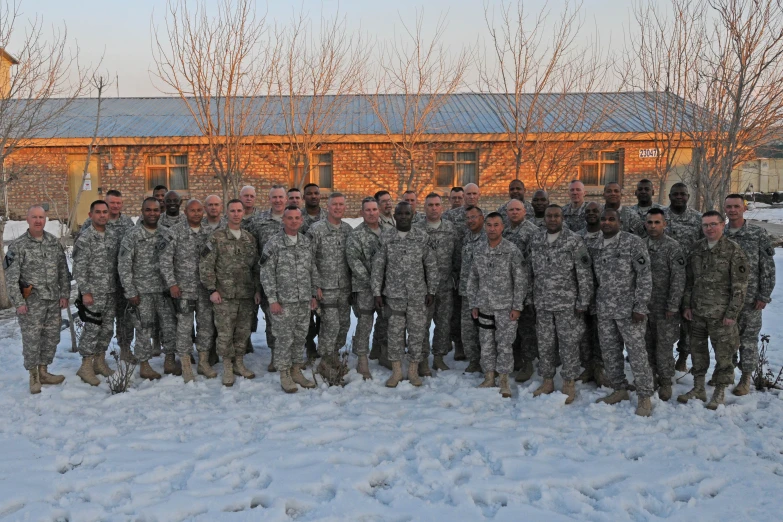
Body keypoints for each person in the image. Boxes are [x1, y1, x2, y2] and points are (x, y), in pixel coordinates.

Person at [679, 211, 749, 409]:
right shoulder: (696, 249)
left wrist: (732, 314)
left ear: (722, 224)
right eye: (705, 225)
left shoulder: (734, 251)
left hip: (721, 315)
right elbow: (689, 281)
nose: (709, 228)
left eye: (713, 224)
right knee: (697, 351)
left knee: (724, 355)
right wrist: (687, 305)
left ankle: (719, 391)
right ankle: (698, 388)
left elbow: (740, 287)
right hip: (698, 312)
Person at [590, 208, 655, 417]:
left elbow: (644, 275)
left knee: (636, 353)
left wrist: (640, 306)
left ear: (620, 222)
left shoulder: (633, 243)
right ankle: (619, 388)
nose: (607, 222)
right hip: (605, 308)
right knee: (610, 352)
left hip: (629, 310)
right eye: (603, 219)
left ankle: (644, 396)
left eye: (611, 219)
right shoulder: (595, 244)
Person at [528, 205, 594, 404]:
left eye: (557, 216)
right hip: (543, 302)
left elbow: (584, 273)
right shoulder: (537, 239)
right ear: (544, 218)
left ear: (562, 217)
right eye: (549, 216)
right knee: (545, 343)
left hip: (568, 303)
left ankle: (569, 382)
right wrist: (530, 297)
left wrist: (584, 300)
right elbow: (530, 271)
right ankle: (547, 380)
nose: (553, 219)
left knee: (569, 344)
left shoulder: (574, 241)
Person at [371, 202, 438, 388]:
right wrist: (377, 292)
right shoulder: (386, 237)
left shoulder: (421, 237)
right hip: (394, 296)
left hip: (418, 295)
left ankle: (413, 371)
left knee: (417, 333)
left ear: (412, 215)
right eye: (399, 213)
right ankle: (397, 371)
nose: (402, 216)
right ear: (395, 214)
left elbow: (431, 266)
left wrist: (432, 290)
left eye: (406, 213)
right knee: (394, 334)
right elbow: (378, 266)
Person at [5, 205, 70, 394]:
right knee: (32, 339)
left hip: (52, 300)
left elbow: (63, 271)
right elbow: (11, 278)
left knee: (52, 337)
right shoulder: (17, 246)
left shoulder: (53, 242)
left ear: (46, 219)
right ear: (27, 219)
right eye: (34, 217)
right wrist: (18, 302)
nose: (38, 220)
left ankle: (44, 371)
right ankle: (33, 375)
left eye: (41, 217)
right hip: (31, 302)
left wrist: (65, 294)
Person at [200, 199, 262, 387]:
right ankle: (227, 365)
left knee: (242, 332)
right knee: (225, 333)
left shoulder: (250, 239)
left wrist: (257, 289)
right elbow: (206, 264)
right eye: (232, 210)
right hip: (224, 295)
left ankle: (239, 363)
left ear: (244, 213)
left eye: (239, 210)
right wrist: (211, 289)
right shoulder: (216, 237)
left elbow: (256, 267)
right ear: (226, 213)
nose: (236, 214)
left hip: (246, 294)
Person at [118, 198, 179, 380]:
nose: (152, 213)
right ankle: (144, 364)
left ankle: (169, 359)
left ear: (160, 211)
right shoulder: (132, 236)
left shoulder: (168, 234)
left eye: (156, 210)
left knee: (169, 325)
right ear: (142, 211)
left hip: (164, 291)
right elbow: (124, 265)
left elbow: (175, 261)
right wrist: (130, 291)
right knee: (144, 329)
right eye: (148, 210)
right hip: (141, 292)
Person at [468, 212, 527, 398]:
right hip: (484, 306)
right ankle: (488, 377)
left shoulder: (511, 250)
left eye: (496, 225)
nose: (492, 229)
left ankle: (503, 380)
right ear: (485, 227)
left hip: (505, 308)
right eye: (489, 225)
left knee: (504, 345)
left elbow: (520, 280)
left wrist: (517, 307)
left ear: (502, 227)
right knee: (486, 344)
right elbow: (473, 279)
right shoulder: (478, 249)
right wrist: (473, 303)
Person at [260, 206, 318, 392]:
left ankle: (295, 370)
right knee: (284, 339)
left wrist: (313, 294)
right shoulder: (274, 243)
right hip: (283, 302)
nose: (294, 221)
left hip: (303, 301)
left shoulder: (305, 242)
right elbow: (266, 273)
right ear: (283, 220)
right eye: (290, 218)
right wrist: (272, 300)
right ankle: (284, 373)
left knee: (300, 336)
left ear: (301, 220)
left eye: (297, 218)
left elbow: (312, 269)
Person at [723, 194, 776, 396]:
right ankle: (727, 374)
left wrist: (764, 295)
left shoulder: (757, 234)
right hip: (726, 299)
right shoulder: (722, 234)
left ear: (744, 208)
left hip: (751, 298)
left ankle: (745, 378)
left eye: (737, 206)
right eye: (729, 207)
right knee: (727, 339)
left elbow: (768, 268)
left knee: (747, 340)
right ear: (725, 209)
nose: (733, 210)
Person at [160, 199, 216, 382]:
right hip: (183, 289)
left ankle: (203, 362)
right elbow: (165, 260)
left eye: (200, 210)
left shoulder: (210, 233)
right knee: (184, 328)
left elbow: (215, 260)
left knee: (206, 326)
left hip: (204, 289)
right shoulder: (174, 232)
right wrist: (172, 284)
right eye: (193, 210)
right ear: (185, 212)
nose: (197, 213)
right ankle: (185, 363)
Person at [78, 189, 136, 363]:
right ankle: (92, 359)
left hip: (122, 282)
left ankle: (125, 349)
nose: (115, 206)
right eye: (112, 203)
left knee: (125, 319)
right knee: (98, 322)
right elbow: (82, 259)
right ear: (105, 203)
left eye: (119, 203)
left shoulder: (127, 223)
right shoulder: (91, 224)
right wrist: (85, 288)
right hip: (100, 284)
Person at [307, 192, 353, 384]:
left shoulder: (348, 230)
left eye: (341, 204)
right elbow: (309, 260)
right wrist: (314, 286)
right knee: (330, 326)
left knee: (343, 325)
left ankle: (333, 354)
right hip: (325, 289)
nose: (338, 208)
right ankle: (325, 361)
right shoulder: (316, 230)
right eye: (334, 204)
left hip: (344, 287)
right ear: (328, 206)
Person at [72, 200, 119, 385]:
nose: (102, 215)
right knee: (92, 329)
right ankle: (86, 366)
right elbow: (79, 268)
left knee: (107, 329)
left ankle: (99, 361)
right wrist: (85, 292)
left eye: (105, 212)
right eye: (98, 212)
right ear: (91, 215)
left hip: (110, 291)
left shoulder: (112, 236)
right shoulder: (85, 239)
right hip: (93, 293)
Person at [643, 208, 686, 401]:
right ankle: (650, 376)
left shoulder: (673, 247)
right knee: (646, 344)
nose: (653, 226)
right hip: (644, 306)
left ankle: (666, 381)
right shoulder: (640, 245)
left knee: (664, 346)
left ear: (664, 224)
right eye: (650, 222)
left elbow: (678, 278)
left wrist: (673, 305)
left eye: (657, 222)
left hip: (665, 307)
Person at [415, 193, 458, 374]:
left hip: (445, 285)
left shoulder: (450, 228)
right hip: (424, 287)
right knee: (422, 324)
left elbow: (456, 256)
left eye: (437, 205)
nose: (434, 208)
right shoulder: (417, 229)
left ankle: (438, 357)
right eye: (430, 205)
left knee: (443, 323)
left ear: (442, 207)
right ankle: (423, 359)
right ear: (424, 208)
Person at [347, 197, 389, 378]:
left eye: (374, 209)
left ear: (379, 210)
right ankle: (362, 359)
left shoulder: (389, 232)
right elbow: (354, 262)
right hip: (364, 287)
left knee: (386, 321)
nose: (372, 213)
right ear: (362, 212)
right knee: (365, 323)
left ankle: (382, 352)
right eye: (368, 210)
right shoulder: (356, 235)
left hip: (388, 287)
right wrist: (374, 285)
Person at [663, 183, 703, 372]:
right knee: (666, 319)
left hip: (690, 278)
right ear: (669, 196)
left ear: (688, 196)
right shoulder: (661, 217)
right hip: (665, 278)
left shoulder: (697, 218)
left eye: (683, 194)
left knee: (689, 321)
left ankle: (683, 357)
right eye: (675, 194)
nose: (679, 197)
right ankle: (665, 356)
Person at [245, 185, 286, 367]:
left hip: (292, 279)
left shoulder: (295, 218)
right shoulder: (259, 221)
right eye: (274, 197)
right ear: (269, 199)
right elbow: (253, 252)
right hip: (267, 280)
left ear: (286, 199)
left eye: (280, 197)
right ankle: (275, 355)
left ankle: (291, 355)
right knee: (272, 319)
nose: (277, 200)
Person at [501, 198, 539, 380]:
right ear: (506, 213)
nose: (514, 212)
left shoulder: (532, 231)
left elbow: (534, 264)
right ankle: (514, 359)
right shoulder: (504, 231)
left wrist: (529, 293)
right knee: (510, 326)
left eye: (518, 209)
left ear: (524, 212)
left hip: (526, 286)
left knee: (526, 328)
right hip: (507, 287)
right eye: (511, 210)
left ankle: (528, 363)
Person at [576, 202, 607, 386]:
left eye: (595, 211)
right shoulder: (577, 237)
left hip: (603, 294)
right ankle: (587, 367)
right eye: (588, 211)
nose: (591, 214)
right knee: (584, 333)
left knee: (601, 334)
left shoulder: (609, 235)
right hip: (581, 292)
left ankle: (600, 368)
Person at [458, 206, 487, 374]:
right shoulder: (467, 237)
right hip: (466, 291)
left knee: (485, 329)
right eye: (467, 218)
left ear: (482, 217)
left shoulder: (489, 236)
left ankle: (487, 361)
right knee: (467, 328)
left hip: (484, 292)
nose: (470, 220)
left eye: (474, 217)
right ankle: (473, 360)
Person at [303, 183, 328, 360]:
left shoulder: (328, 217)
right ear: (304, 197)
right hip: (303, 273)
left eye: (316, 193)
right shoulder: (297, 218)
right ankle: (310, 346)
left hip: (327, 273)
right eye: (309, 193)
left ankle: (323, 347)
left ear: (320, 196)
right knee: (307, 316)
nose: (313, 196)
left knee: (324, 315)